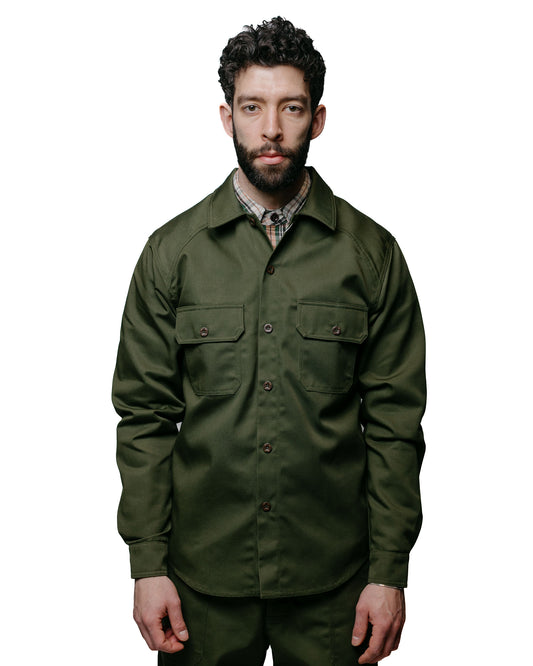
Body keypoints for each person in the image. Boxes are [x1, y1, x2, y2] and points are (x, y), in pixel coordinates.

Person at [112, 16, 426, 666]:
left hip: (334, 585)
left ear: (318, 119)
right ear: (227, 117)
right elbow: (144, 417)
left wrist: (388, 570)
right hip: (200, 584)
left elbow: (395, 424)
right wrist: (147, 563)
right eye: (253, 107)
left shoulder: (371, 255)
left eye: (292, 107)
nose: (272, 129)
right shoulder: (172, 253)